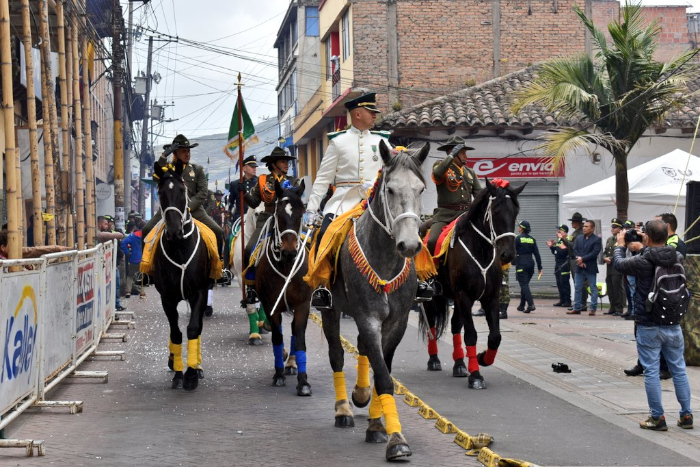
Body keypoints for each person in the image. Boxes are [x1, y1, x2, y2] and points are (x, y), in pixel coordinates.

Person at [304, 92, 387, 309]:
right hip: (343, 201)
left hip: (375, 201)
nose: (375, 116)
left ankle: (416, 281)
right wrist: (312, 209)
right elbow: (323, 179)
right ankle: (323, 286)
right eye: (372, 112)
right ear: (357, 114)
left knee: (404, 230)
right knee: (325, 234)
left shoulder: (382, 141)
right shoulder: (338, 143)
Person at [613, 219, 693, 431]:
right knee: (679, 369)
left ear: (647, 237)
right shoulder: (677, 257)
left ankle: (657, 418)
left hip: (648, 323)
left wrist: (620, 245)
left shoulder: (642, 260)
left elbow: (619, 264)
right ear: (667, 236)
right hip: (673, 322)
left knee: (651, 371)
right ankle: (686, 415)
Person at [142, 134, 225, 258]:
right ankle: (145, 269)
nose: (187, 154)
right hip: (169, 209)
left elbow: (202, 193)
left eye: (188, 151)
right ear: (175, 153)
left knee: (218, 231)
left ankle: (219, 267)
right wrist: (164, 156)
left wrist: (187, 207)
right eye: (183, 151)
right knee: (146, 230)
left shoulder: (197, 170)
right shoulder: (168, 169)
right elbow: (156, 176)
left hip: (194, 209)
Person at [242, 146, 297, 303]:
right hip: (267, 218)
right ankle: (251, 288)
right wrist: (244, 193)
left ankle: (313, 283)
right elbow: (254, 203)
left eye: (287, 161)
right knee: (249, 249)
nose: (287, 164)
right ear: (274, 164)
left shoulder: (293, 181)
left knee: (309, 241)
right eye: (283, 161)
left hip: (288, 221)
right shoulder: (262, 181)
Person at [568, 220, 602, 316]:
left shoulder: (596, 240)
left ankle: (593, 308)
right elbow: (575, 249)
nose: (584, 228)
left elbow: (594, 253)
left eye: (587, 226)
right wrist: (579, 260)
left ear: (592, 228)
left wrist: (583, 259)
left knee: (593, 288)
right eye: (584, 226)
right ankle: (576, 308)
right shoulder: (579, 238)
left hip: (590, 267)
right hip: (579, 266)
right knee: (578, 287)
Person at [97, 216, 126, 311]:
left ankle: (115, 306)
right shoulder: (98, 234)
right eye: (106, 224)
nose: (108, 225)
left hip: (112, 263)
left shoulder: (108, 233)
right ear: (99, 224)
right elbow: (119, 235)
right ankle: (111, 307)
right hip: (104, 265)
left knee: (115, 285)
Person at [513, 220, 542, 313]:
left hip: (521, 264)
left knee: (524, 285)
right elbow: (537, 254)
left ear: (522, 228)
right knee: (524, 285)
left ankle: (531, 304)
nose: (518, 228)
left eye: (519, 227)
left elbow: (513, 252)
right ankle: (522, 305)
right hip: (531, 264)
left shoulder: (517, 239)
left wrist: (513, 262)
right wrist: (540, 267)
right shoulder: (532, 239)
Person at [562, 212, 588, 311]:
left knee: (580, 282)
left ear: (577, 222)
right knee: (577, 282)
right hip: (572, 258)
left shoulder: (580, 233)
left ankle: (582, 303)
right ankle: (578, 303)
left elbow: (574, 246)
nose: (572, 223)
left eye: (573, 221)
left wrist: (564, 239)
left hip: (577, 259)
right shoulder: (575, 232)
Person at [603, 218, 626, 316]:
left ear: (620, 229)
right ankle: (612, 307)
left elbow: (622, 251)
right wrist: (604, 258)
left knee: (617, 289)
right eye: (612, 227)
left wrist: (611, 258)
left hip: (617, 267)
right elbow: (605, 251)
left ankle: (618, 309)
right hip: (609, 268)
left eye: (615, 227)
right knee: (610, 288)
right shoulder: (610, 239)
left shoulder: (622, 239)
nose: (613, 229)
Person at [229, 155, 259, 224]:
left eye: (255, 167)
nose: (254, 169)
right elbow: (231, 203)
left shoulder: (260, 183)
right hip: (239, 219)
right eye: (252, 166)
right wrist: (232, 211)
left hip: (256, 219)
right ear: (244, 168)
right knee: (231, 234)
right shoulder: (235, 184)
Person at [547, 224, 572, 307]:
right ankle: (562, 300)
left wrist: (558, 248)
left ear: (564, 232)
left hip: (564, 264)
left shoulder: (567, 240)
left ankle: (567, 301)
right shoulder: (559, 241)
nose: (557, 232)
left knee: (564, 282)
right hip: (557, 263)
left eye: (559, 230)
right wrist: (552, 246)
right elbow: (556, 253)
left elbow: (564, 253)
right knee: (559, 283)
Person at [120, 219, 145, 297]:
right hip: (144, 259)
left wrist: (127, 253)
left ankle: (128, 291)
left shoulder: (133, 235)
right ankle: (142, 292)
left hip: (134, 258)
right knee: (143, 275)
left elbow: (123, 243)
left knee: (130, 275)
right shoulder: (147, 235)